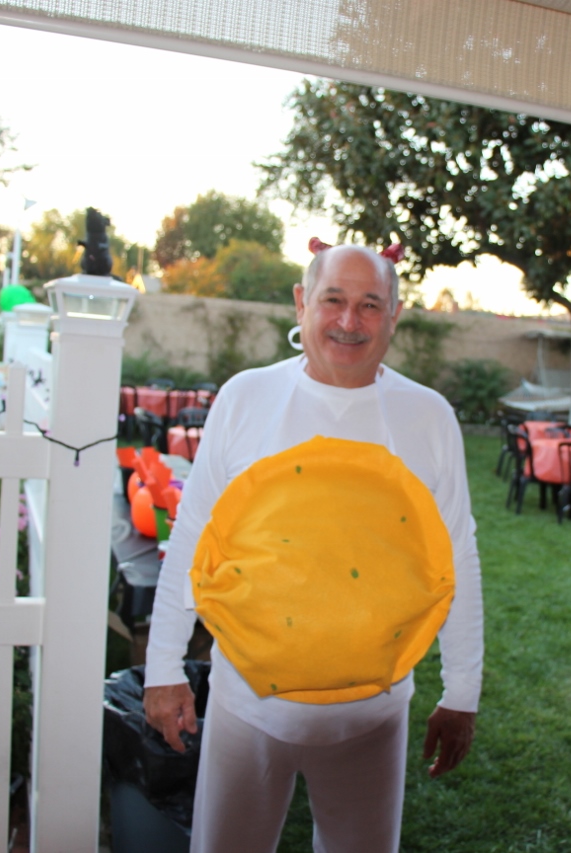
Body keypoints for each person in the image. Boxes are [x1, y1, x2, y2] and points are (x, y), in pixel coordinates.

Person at [143, 239, 483, 853]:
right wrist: (164, 670)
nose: (349, 322)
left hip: (372, 718)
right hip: (246, 710)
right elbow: (192, 535)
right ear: (302, 303)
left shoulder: (427, 416)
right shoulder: (246, 397)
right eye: (333, 299)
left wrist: (462, 692)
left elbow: (458, 554)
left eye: (370, 304)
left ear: (395, 315)